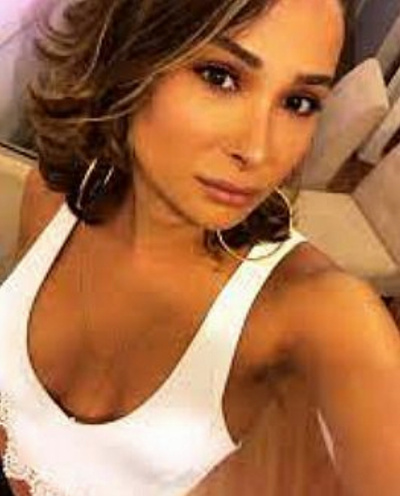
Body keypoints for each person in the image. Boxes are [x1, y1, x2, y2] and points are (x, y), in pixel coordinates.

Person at [0, 0, 399, 494]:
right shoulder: (52, 196)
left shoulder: (324, 314)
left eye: (298, 103)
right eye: (220, 77)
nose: (257, 150)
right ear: (131, 55)